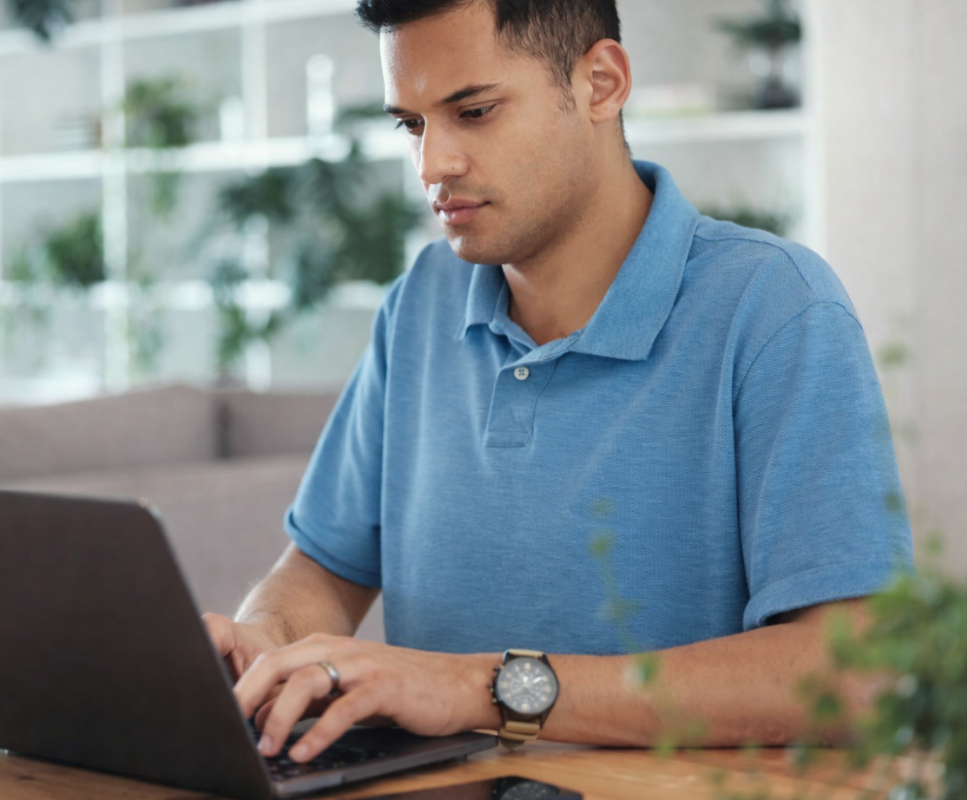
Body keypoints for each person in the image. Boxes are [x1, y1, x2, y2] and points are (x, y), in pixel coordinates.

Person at [203, 0, 915, 764]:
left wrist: (485, 689)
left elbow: (853, 672)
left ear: (601, 84)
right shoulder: (421, 301)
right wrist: (262, 643)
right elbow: (324, 567)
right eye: (411, 124)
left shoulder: (774, 307)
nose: (431, 164)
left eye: (473, 111)